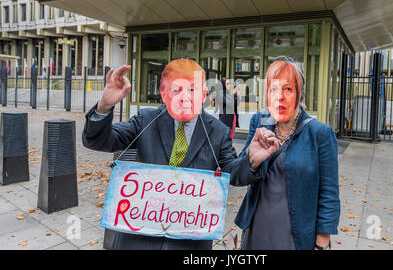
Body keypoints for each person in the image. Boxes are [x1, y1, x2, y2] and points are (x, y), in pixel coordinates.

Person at [82, 59, 278, 250]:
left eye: (192, 90)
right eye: (177, 90)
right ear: (164, 93)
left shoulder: (218, 131)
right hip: (139, 239)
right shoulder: (146, 120)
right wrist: (104, 106)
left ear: (204, 94)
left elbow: (231, 171)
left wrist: (251, 161)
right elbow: (98, 140)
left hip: (190, 240)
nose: (185, 97)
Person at [234, 60, 340, 250]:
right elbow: (238, 176)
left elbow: (329, 193)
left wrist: (321, 244)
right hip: (257, 229)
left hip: (296, 235)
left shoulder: (320, 133)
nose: (279, 97)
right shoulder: (259, 121)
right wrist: (252, 159)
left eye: (288, 89)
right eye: (273, 89)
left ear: (300, 94)